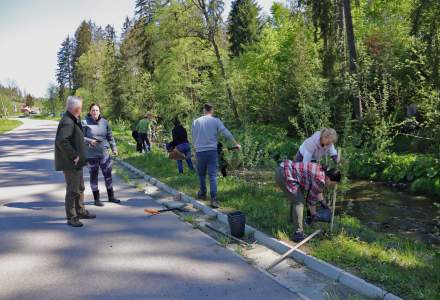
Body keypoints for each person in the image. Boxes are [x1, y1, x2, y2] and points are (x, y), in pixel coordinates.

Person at [55, 96, 96, 227]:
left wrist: (86, 143)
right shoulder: (67, 121)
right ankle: (72, 217)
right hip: (71, 163)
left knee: (80, 188)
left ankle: (81, 211)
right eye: (81, 107)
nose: (82, 109)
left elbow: (75, 138)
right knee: (73, 190)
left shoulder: (73, 119)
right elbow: (62, 141)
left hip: (77, 163)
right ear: (77, 108)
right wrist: (74, 156)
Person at [275, 160, 341, 242]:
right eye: (333, 183)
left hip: (283, 168)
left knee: (297, 198)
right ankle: (298, 234)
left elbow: (317, 190)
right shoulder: (321, 180)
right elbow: (311, 200)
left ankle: (293, 221)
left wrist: (323, 203)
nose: (331, 185)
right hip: (285, 174)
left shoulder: (322, 171)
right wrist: (314, 215)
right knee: (299, 203)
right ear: (329, 178)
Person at [192, 103, 241, 208]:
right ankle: (214, 199)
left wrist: (195, 148)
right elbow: (226, 132)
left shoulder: (196, 122)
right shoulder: (216, 121)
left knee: (201, 174)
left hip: (200, 152)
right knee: (213, 176)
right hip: (212, 152)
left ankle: (203, 193)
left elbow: (194, 137)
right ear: (212, 110)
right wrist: (235, 143)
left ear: (204, 110)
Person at [82, 103, 120, 207]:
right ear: (90, 112)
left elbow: (110, 136)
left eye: (97, 110)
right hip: (91, 154)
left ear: (100, 111)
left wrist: (114, 149)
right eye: (93, 110)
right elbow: (80, 137)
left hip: (104, 153)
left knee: (108, 175)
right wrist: (90, 141)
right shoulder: (84, 122)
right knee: (94, 176)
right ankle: (96, 199)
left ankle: (111, 196)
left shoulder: (105, 122)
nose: (95, 112)